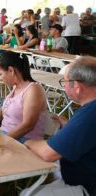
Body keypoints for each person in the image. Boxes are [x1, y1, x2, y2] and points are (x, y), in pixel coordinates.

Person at [24, 56, 96, 195]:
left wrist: (27, 142)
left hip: (88, 188)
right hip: (83, 181)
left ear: (77, 87)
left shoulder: (90, 113)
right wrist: (71, 126)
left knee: (28, 194)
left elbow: (48, 153)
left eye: (65, 82)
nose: (64, 87)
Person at [0, 51, 46, 143]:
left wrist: (2, 140)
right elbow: (17, 104)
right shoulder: (16, 86)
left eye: (0, 74)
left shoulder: (33, 90)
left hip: (25, 141)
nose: (0, 78)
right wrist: (1, 110)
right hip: (7, 135)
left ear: (11, 70)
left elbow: (28, 125)